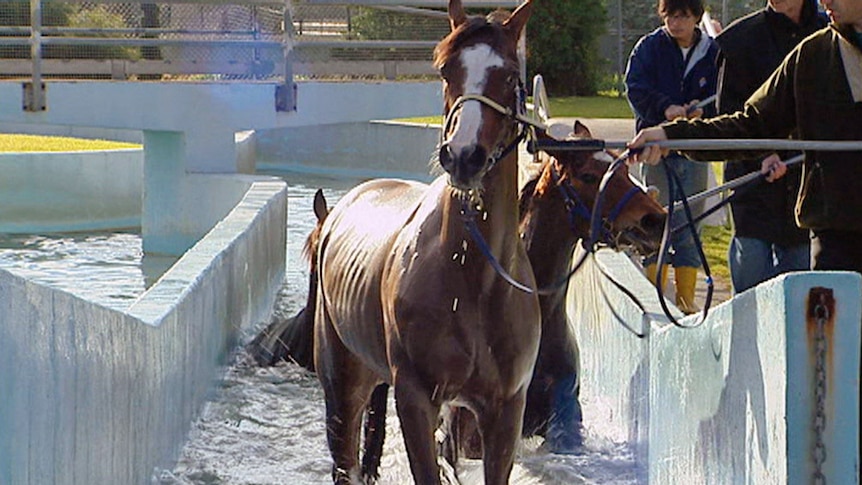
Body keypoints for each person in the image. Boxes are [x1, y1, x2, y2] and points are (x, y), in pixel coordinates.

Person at [628, 0, 862, 275]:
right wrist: (671, 134)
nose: (824, 0)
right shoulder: (814, 54)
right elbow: (750, 125)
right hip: (835, 236)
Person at [715, 0, 826, 293]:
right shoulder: (739, 41)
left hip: (807, 186)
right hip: (754, 186)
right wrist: (763, 152)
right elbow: (727, 113)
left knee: (798, 288)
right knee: (751, 274)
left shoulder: (832, 34)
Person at [624, 0, 719, 313]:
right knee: (656, 222)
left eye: (683, 16)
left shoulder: (714, 52)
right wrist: (665, 108)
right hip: (656, 152)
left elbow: (726, 93)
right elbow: (635, 88)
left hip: (694, 151)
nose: (675, 23)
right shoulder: (648, 48)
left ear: (696, 17)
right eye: (670, 16)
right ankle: (656, 298)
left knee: (691, 225)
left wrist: (706, 113)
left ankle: (685, 302)